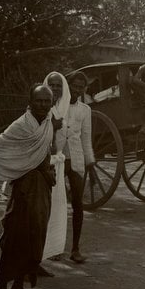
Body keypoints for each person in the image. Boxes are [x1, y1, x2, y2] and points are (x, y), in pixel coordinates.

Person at [0, 84, 56, 289]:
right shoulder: (21, 126)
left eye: (47, 101)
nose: (43, 105)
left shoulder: (48, 123)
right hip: (24, 190)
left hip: (41, 189)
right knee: (15, 239)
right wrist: (19, 168)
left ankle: (18, 287)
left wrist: (46, 170)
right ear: (31, 102)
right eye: (39, 101)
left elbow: (45, 153)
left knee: (34, 237)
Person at [62, 72, 96, 264]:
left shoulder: (85, 110)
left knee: (78, 205)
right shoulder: (57, 106)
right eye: (74, 86)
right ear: (69, 85)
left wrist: (89, 162)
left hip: (76, 161)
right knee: (52, 205)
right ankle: (49, 249)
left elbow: (86, 138)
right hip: (58, 159)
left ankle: (75, 248)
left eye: (81, 87)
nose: (77, 90)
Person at [42, 71, 71, 264]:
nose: (55, 88)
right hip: (43, 164)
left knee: (57, 208)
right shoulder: (42, 106)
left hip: (58, 162)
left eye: (58, 85)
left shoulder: (65, 107)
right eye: (51, 85)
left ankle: (50, 251)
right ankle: (38, 254)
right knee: (43, 209)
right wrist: (53, 125)